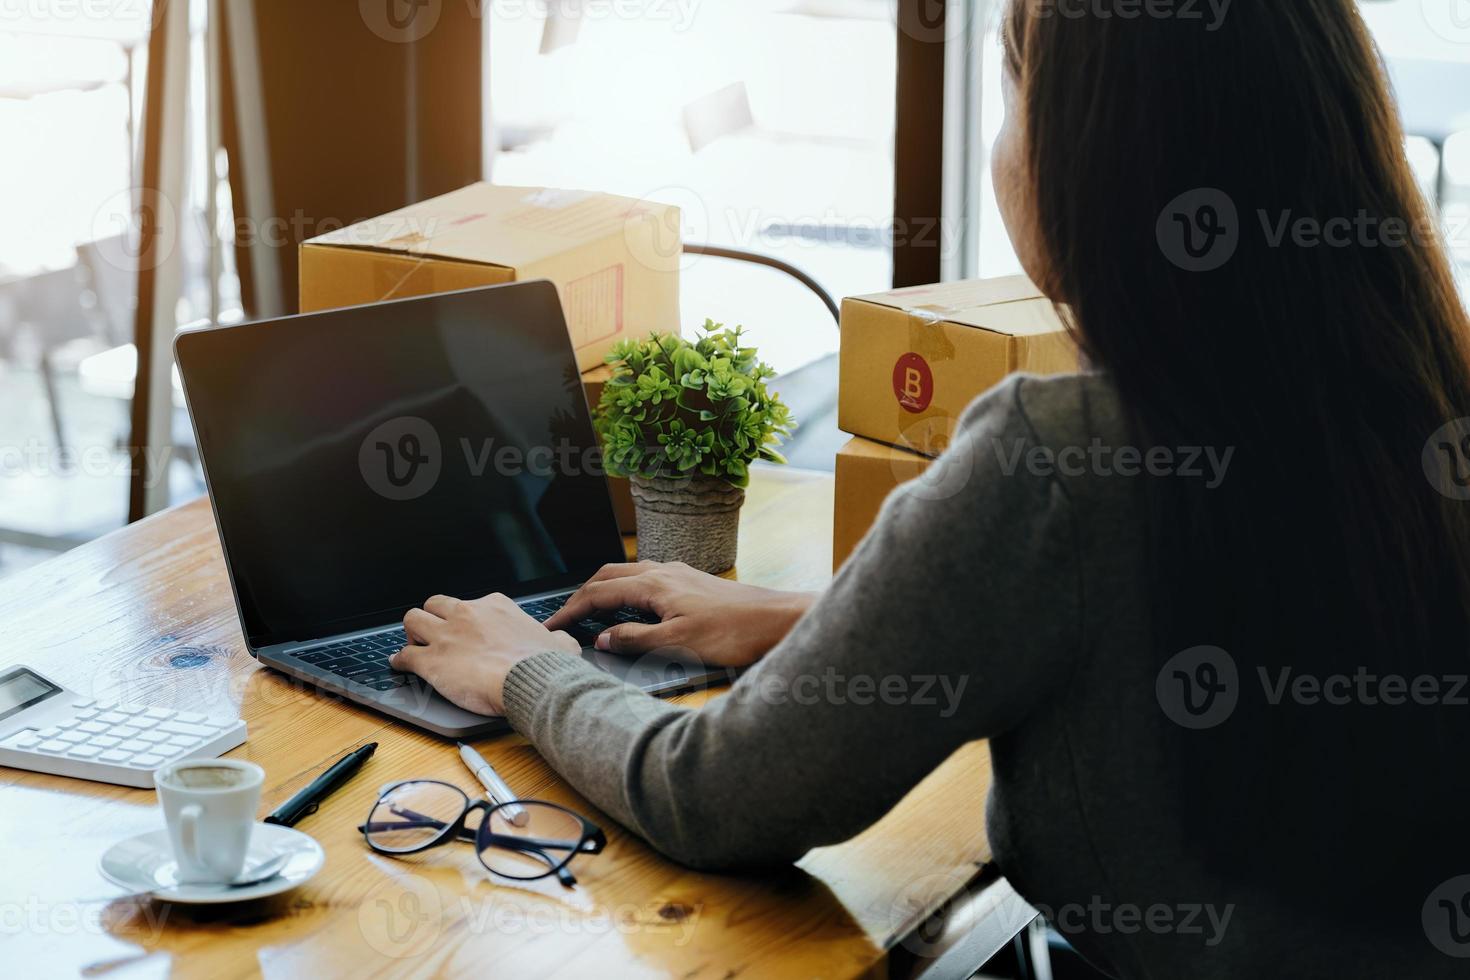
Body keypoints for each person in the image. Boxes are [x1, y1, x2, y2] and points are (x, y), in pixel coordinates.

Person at [389, 1, 1470, 975]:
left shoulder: (1061, 454)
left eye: (1013, 95)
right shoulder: (1409, 403)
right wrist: (812, 621)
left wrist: (528, 668)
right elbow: (1219, 618)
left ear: (1092, 155)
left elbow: (714, 794)